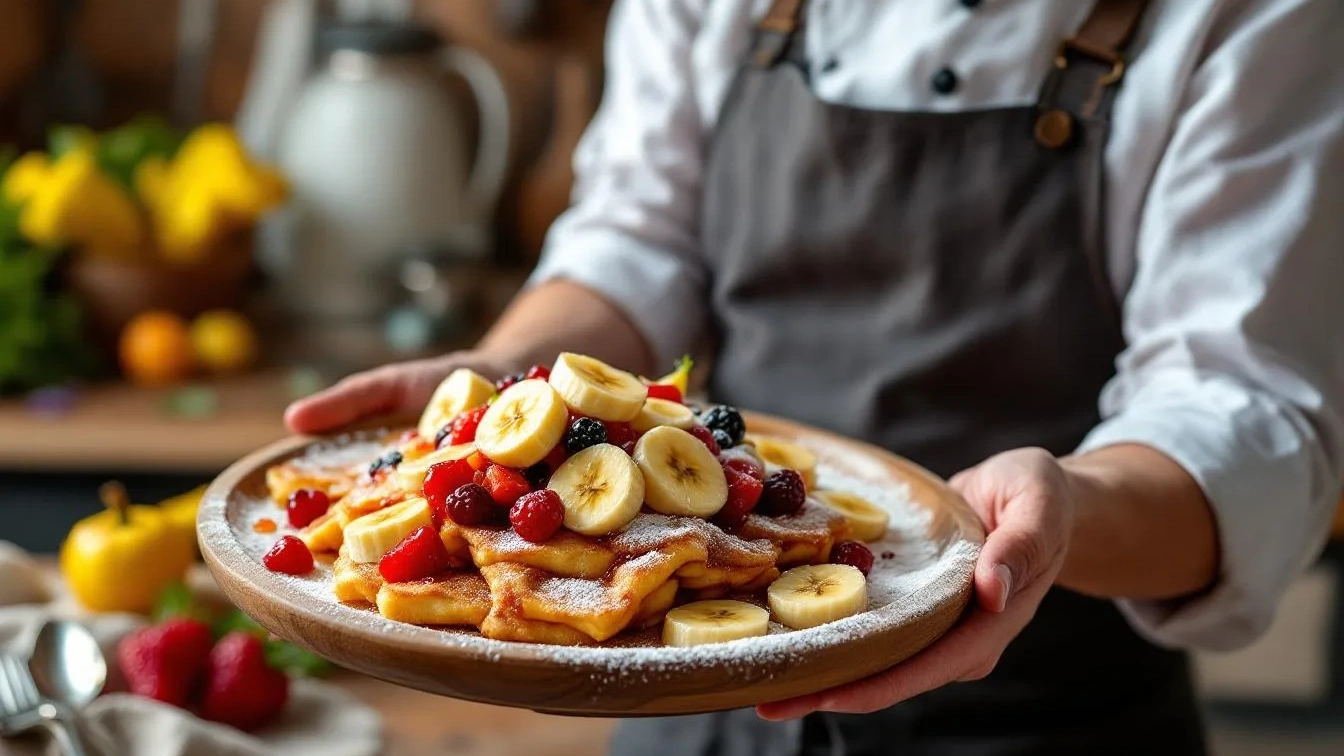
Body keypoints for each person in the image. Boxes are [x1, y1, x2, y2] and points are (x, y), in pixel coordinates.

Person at [286, 0, 1344, 753]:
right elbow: (639, 243)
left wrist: (1067, 508)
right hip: (686, 678)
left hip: (1042, 704)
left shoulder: (1256, 16)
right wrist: (499, 383)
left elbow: (1241, 411)